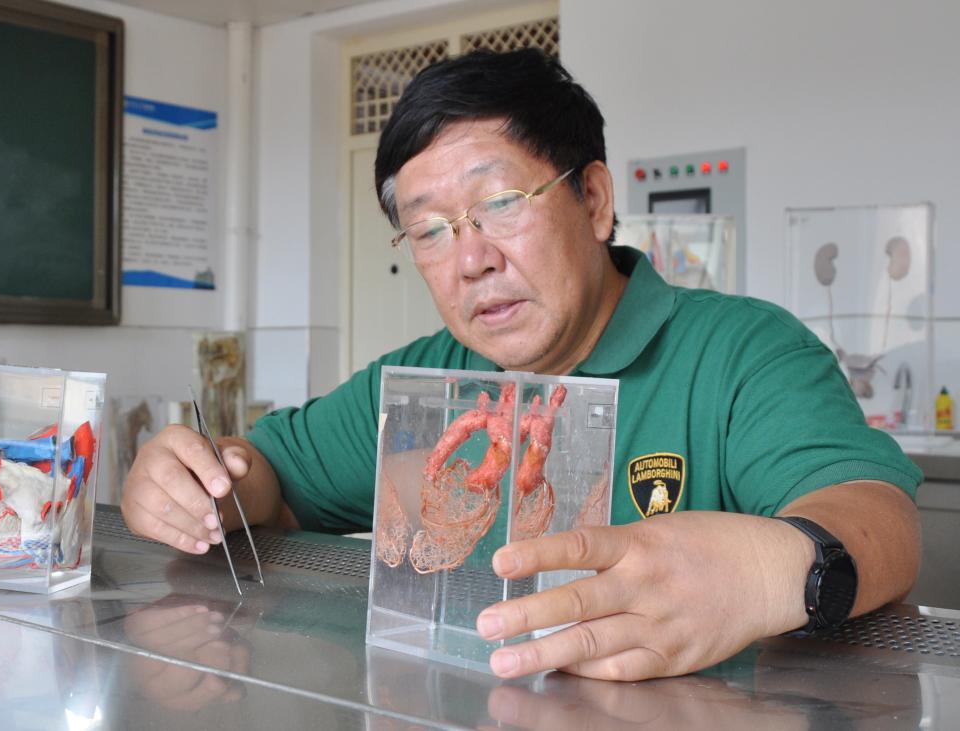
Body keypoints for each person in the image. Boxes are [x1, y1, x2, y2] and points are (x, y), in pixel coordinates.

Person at [121, 48, 922, 682]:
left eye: (500, 204)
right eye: (429, 230)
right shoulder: (421, 384)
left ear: (594, 200)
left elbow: (879, 518)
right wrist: (198, 482)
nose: (470, 259)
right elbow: (269, 478)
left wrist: (767, 569)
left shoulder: (740, 353)